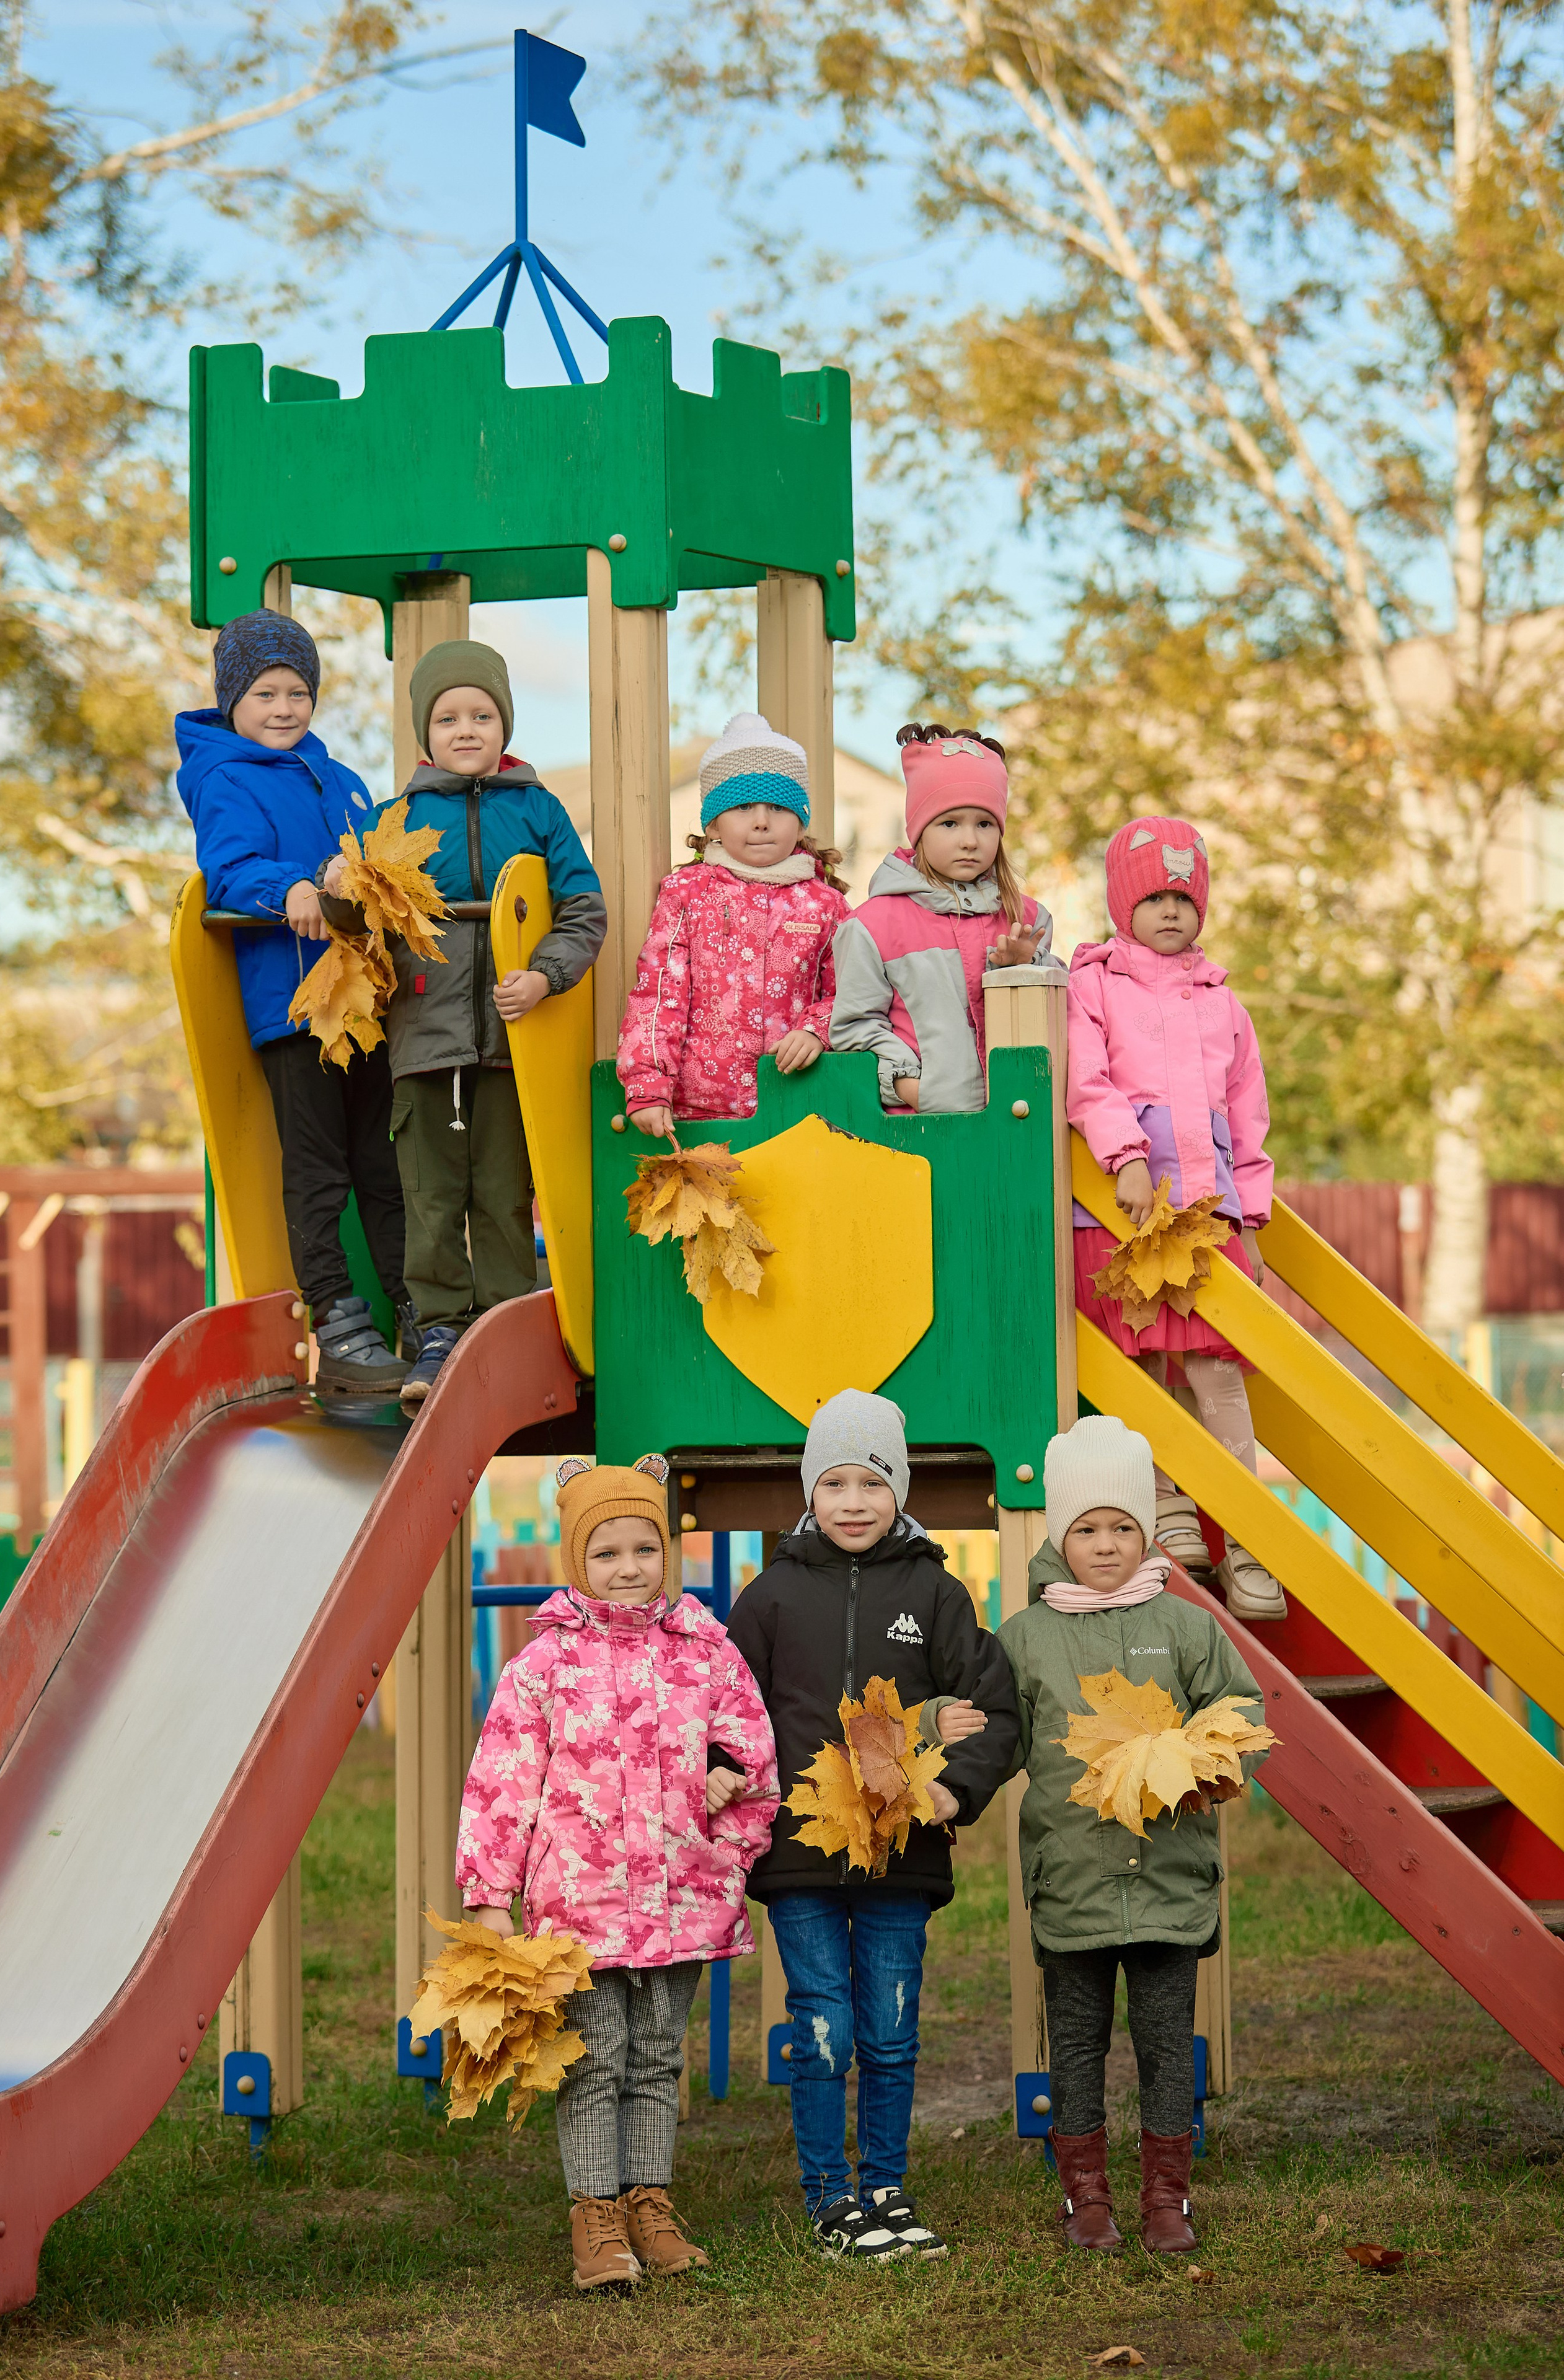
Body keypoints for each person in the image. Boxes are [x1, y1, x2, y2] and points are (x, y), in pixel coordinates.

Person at [457, 1456, 779, 2292]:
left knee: (658, 2059)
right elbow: (502, 1782)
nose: (629, 1568)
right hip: (582, 1909)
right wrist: (492, 1897)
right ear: (577, 1561)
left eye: (645, 1548)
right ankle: (595, 2216)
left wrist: (727, 1838)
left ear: (666, 1552)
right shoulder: (545, 1666)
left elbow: (753, 1756)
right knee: (594, 2058)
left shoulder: (706, 1653)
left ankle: (650, 2202)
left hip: (681, 1900)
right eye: (607, 1554)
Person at [726, 1389, 1020, 2262]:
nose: (854, 1502)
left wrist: (955, 1790)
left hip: (903, 1850)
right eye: (836, 1483)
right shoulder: (769, 1598)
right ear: (810, 1490)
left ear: (901, 1490)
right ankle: (830, 2197)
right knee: (825, 2024)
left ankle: (885, 2187)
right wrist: (730, 1781)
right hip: (800, 1854)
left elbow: (992, 1708)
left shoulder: (935, 1594)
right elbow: (729, 1708)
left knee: (891, 2025)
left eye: (873, 1484)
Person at [991, 1414, 1268, 2255]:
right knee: (1075, 2042)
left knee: (1163, 2039)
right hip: (1071, 1877)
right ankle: (1086, 2197)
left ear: (1146, 1533)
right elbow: (993, 1732)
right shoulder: (1027, 1636)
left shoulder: (1186, 1627)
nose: (1105, 1545)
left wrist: (1214, 1761)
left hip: (1168, 1875)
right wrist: (937, 1726)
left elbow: (1239, 1709)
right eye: (1087, 1528)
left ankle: (1166, 2197)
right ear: (1059, 1534)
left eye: (1123, 1528)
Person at [320, 640, 605, 1408]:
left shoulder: (537, 811)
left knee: (505, 1192)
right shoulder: (398, 817)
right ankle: (439, 1330)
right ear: (426, 733)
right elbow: (355, 912)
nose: (467, 728)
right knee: (432, 1196)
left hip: (514, 1047)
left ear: (504, 725)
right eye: (449, 717)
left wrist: (545, 975)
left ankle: (509, 1324)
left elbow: (582, 908)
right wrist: (338, 882)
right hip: (426, 1039)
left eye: (483, 714)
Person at [175, 610, 410, 1398]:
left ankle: (416, 1308)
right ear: (233, 701)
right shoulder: (224, 777)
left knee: (386, 1160)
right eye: (267, 694)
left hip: (361, 1001)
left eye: (298, 693)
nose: (284, 709)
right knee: (318, 1167)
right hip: (294, 1007)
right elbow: (231, 870)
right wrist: (293, 888)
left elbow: (372, 862)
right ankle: (340, 1324)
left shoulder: (340, 779)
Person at [1068, 815, 1285, 1619]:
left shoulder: (1222, 1003)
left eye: (1184, 900)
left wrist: (1250, 1217)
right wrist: (1125, 1155)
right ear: (1123, 905)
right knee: (1141, 1369)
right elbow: (1086, 1082)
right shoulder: (1092, 985)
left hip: (1205, 1218)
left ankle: (1254, 1538)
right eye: (1153, 898)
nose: (1169, 912)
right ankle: (1168, 1509)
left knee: (1217, 1373)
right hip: (1124, 1215)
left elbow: (1246, 1113)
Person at [617, 712, 849, 1133]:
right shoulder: (687, 893)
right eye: (743, 807)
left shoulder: (826, 905)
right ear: (713, 824)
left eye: (778, 807)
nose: (762, 820)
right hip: (696, 1111)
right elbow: (658, 993)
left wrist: (817, 1030)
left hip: (798, 1107)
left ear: (800, 821)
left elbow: (853, 992)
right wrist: (648, 1084)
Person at [828, 722, 1058, 1113]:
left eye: (984, 824)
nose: (970, 840)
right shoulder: (873, 926)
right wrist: (913, 1087)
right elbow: (855, 1027)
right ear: (919, 831)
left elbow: (1058, 1014)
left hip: (1022, 1122)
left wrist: (1024, 969)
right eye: (950, 823)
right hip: (922, 1133)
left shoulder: (1028, 917)